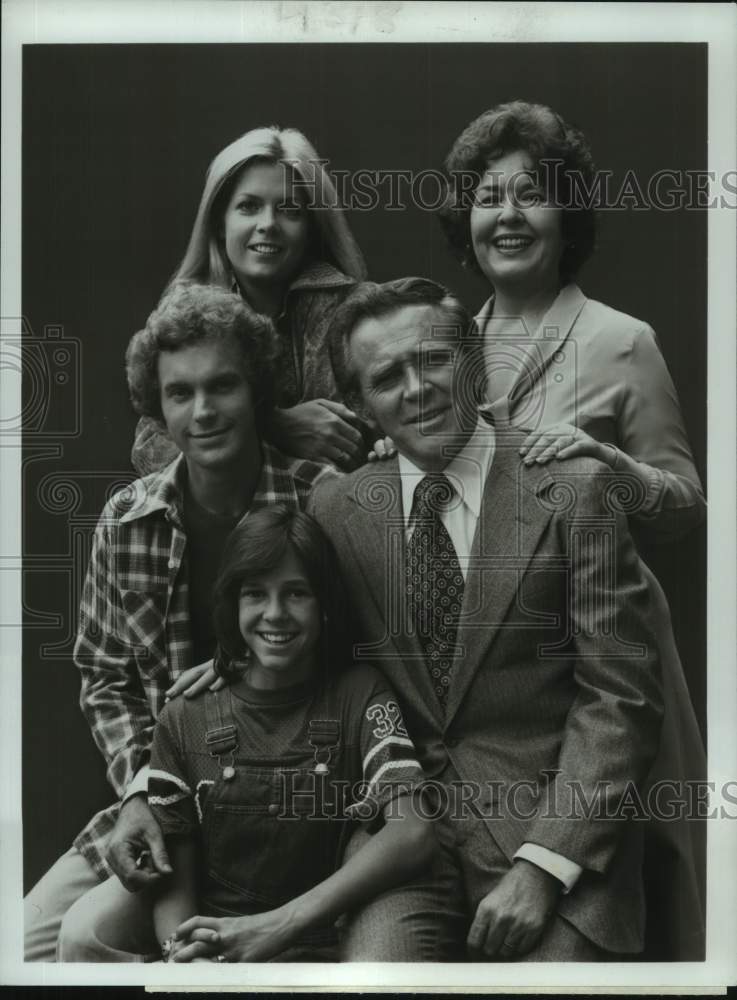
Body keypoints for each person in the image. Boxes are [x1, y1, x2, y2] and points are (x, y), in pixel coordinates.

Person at [308, 276, 664, 961]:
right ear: (361, 405)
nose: (416, 388)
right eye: (387, 377)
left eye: (433, 360)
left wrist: (543, 865)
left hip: (557, 843)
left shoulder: (572, 490)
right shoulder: (336, 512)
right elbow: (312, 659)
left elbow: (622, 696)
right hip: (406, 846)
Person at [437, 100, 706, 959]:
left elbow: (688, 513)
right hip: (491, 672)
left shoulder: (621, 341)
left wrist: (609, 466)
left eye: (531, 195)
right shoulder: (443, 347)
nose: (507, 215)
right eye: (488, 196)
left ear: (567, 217)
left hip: (605, 664)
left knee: (635, 889)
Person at [24, 282, 334, 961]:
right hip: (167, 794)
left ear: (255, 390)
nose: (202, 411)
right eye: (179, 393)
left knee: (91, 937)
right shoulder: (127, 518)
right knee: (27, 939)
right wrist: (141, 789)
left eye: (221, 386)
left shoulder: (323, 502)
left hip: (292, 804)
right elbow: (104, 676)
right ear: (156, 407)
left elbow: (359, 659)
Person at [56, 506, 433, 962]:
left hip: (325, 943)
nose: (275, 614)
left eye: (297, 594)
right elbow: (176, 875)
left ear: (326, 604)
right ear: (232, 602)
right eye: (255, 594)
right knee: (82, 938)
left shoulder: (361, 693)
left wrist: (278, 927)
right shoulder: (185, 717)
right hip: (220, 952)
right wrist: (187, 958)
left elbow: (413, 830)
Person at [132, 125, 372, 478]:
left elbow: (381, 437)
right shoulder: (184, 316)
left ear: (312, 227)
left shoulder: (355, 311)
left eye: (289, 210)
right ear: (219, 223)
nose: (268, 224)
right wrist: (273, 425)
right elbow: (151, 454)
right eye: (248, 206)